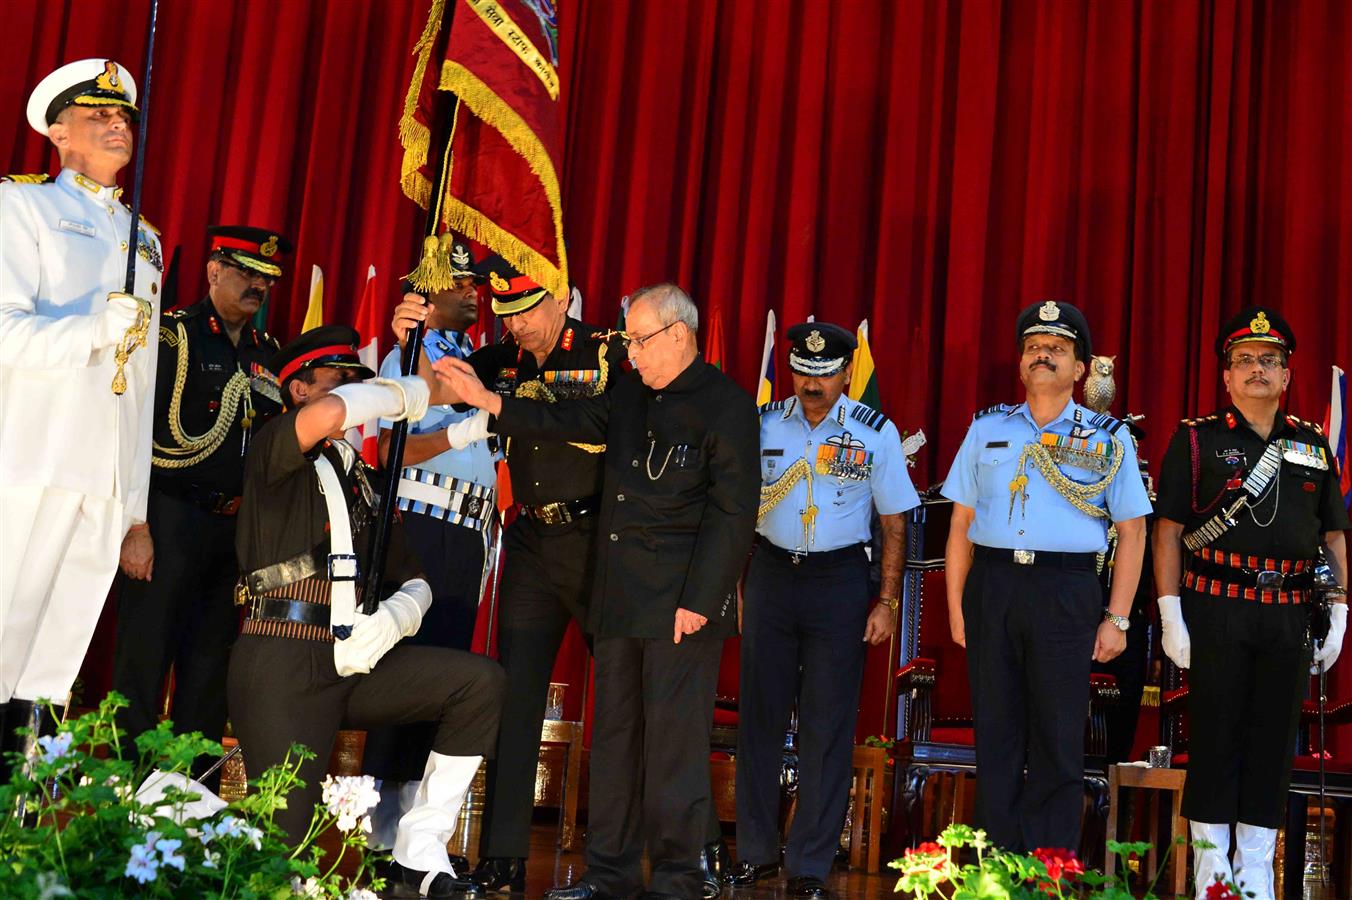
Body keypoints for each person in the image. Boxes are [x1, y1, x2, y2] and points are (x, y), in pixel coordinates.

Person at [435, 283, 760, 900]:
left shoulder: (728, 404)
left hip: (682, 602)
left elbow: (733, 513)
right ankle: (609, 873)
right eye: (629, 340)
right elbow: (568, 419)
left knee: (671, 745)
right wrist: (490, 403)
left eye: (640, 340)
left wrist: (700, 599)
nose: (630, 352)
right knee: (612, 740)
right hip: (622, 592)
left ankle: (678, 876)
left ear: (679, 333)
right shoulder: (632, 391)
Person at [226, 325, 504, 898]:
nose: (357, 391)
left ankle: (418, 849)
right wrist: (405, 393)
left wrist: (393, 620)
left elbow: (418, 579)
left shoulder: (363, 479)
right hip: (285, 659)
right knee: (286, 856)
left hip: (355, 657)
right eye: (343, 380)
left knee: (478, 684)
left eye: (360, 380)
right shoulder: (278, 447)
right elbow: (329, 416)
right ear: (299, 388)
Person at [390, 256, 627, 895]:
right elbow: (432, 396)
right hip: (530, 539)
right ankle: (504, 856)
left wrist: (491, 402)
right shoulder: (502, 359)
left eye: (527, 311)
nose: (517, 327)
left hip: (595, 537)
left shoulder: (607, 348)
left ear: (560, 300)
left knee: (625, 695)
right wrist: (406, 334)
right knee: (514, 693)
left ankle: (618, 859)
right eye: (507, 315)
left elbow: (602, 424)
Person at [0, 58, 163, 771]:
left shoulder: (145, 238)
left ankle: (22, 837)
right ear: (59, 133)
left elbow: (145, 383)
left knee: (51, 664)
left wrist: (135, 507)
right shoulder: (21, 208)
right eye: (99, 116)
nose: (118, 124)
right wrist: (91, 329)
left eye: (123, 115)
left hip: (101, 481)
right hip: (29, 461)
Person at [1153, 307, 1349, 899]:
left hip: (1289, 613)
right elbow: (1167, 532)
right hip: (1215, 607)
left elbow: (1334, 534)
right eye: (1245, 360)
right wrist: (1169, 612)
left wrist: (1340, 610)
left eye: (1270, 360)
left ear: (1287, 376)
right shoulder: (1197, 439)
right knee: (1214, 739)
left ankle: (1257, 873)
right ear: (1227, 377)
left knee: (1273, 742)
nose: (1257, 369)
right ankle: (1213, 875)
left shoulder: (1312, 444)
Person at [940, 300, 1150, 852]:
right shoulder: (986, 429)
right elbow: (960, 522)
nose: (1043, 355)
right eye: (1034, 347)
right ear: (1020, 363)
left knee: (1058, 737)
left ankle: (1048, 870)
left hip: (1066, 591)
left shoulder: (1108, 437)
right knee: (998, 736)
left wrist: (1118, 617)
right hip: (994, 587)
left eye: (1057, 348)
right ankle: (996, 869)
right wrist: (958, 607)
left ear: (1081, 368)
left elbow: (1133, 531)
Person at [731, 323, 920, 899]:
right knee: (759, 718)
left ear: (844, 374)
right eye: (803, 373)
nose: (812, 385)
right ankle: (756, 852)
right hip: (769, 574)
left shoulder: (875, 433)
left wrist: (887, 601)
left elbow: (894, 524)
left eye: (824, 374)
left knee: (826, 724)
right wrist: (739, 589)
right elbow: (738, 511)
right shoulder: (761, 422)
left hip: (838, 580)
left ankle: (810, 862)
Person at [110, 225, 289, 771]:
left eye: (266, 278)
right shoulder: (171, 336)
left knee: (210, 670)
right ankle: (129, 797)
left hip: (231, 531)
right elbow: (132, 432)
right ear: (214, 270)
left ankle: (190, 805)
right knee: (144, 660)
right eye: (246, 272)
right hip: (168, 517)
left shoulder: (268, 352)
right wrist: (135, 526)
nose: (257, 285)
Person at [363, 239, 497, 853]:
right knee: (408, 672)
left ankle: (421, 828)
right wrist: (459, 431)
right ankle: (383, 825)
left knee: (448, 676)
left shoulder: (474, 359)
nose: (475, 290)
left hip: (467, 534)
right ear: (431, 290)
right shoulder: (406, 358)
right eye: (462, 282)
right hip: (421, 528)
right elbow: (388, 452)